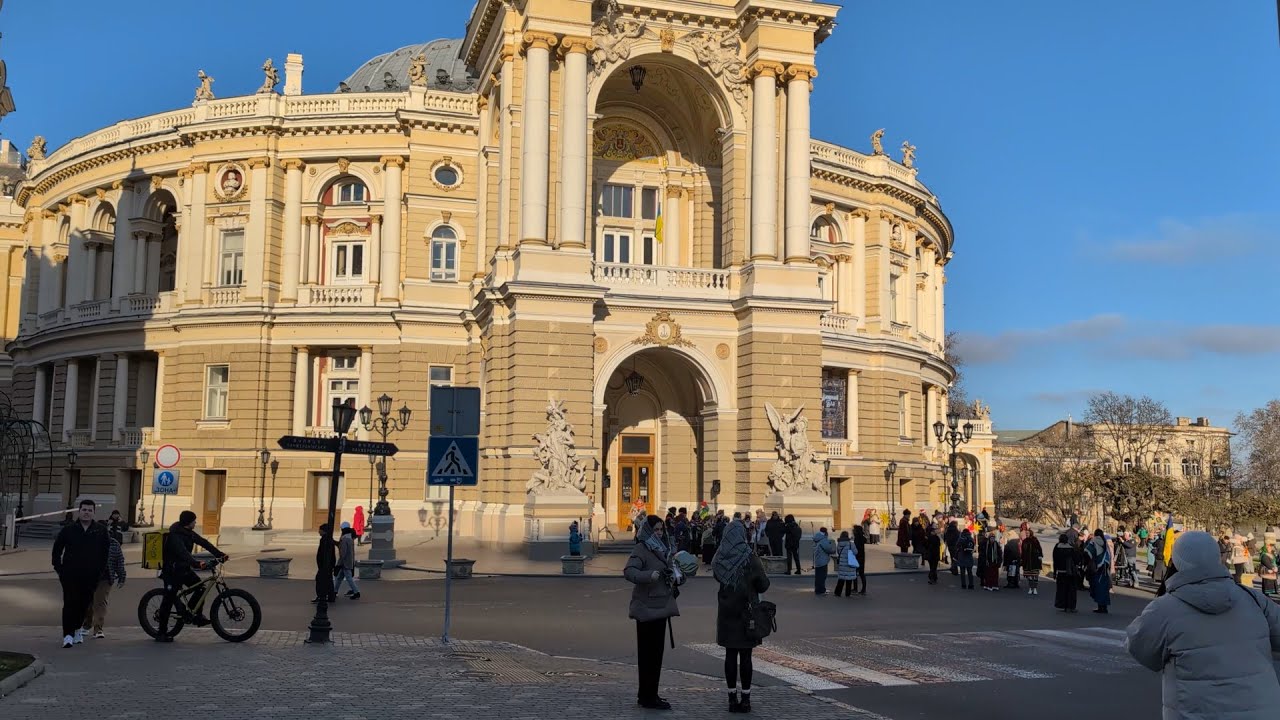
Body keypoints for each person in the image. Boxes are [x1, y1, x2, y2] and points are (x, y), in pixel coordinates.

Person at [1126, 530, 1280, 719]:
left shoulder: (1164, 609)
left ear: (1177, 561)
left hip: (1195, 712)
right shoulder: (1253, 598)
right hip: (1262, 710)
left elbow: (1142, 649)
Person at [624, 514, 682, 710]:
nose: (659, 533)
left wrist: (677, 577)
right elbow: (629, 571)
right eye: (655, 529)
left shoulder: (664, 549)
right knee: (647, 655)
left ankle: (650, 694)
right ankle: (647, 696)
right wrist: (650, 575)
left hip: (661, 608)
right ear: (648, 531)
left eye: (660, 529)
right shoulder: (642, 548)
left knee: (656, 655)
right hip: (647, 609)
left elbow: (672, 572)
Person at [713, 519, 770, 713]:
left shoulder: (720, 557)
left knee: (730, 655)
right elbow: (763, 585)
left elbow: (717, 576)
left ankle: (731, 698)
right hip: (747, 613)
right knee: (746, 656)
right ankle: (745, 699)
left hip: (726, 612)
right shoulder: (749, 557)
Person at [157, 510, 227, 642]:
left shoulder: (189, 533)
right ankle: (161, 632)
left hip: (184, 569)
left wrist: (220, 554)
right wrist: (196, 563)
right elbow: (182, 552)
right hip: (172, 571)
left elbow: (204, 543)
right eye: (194, 521)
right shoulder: (175, 535)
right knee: (168, 600)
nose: (195, 522)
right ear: (188, 522)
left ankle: (194, 615)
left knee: (200, 588)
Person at [52, 499, 109, 648]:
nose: (86, 513)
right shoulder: (69, 529)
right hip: (70, 574)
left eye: (90, 510)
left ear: (94, 513)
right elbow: (57, 549)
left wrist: (99, 571)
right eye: (84, 510)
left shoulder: (100, 530)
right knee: (70, 603)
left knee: (84, 604)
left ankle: (77, 629)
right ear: (79, 511)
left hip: (91, 576)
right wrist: (59, 569)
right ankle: (68, 635)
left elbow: (105, 553)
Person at [82, 525, 127, 639]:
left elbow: (119, 561)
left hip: (105, 578)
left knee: (100, 602)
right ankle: (87, 624)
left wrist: (122, 576)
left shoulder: (114, 544)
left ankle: (98, 629)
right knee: (88, 602)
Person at [1084, 528, 1112, 613]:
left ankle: (1100, 607)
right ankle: (1104, 607)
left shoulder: (1094, 541)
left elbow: (1087, 551)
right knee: (1104, 587)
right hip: (1105, 566)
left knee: (1098, 586)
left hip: (1097, 567)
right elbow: (1108, 554)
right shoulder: (1104, 542)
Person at [1052, 533, 1078, 613]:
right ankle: (1070, 606)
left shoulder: (1057, 547)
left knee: (1061, 590)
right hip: (1070, 572)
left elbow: (1055, 561)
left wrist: (1054, 572)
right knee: (1070, 590)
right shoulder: (1071, 548)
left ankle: (1063, 605)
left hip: (1060, 572)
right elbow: (1075, 560)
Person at [334, 522, 360, 600]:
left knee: (348, 578)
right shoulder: (349, 537)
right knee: (339, 577)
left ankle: (356, 592)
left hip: (345, 562)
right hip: (348, 561)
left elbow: (343, 553)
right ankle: (334, 591)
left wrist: (339, 563)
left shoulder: (345, 538)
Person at [313, 523, 338, 604]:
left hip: (325, 565)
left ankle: (321, 596)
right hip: (328, 564)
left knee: (320, 580)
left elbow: (323, 553)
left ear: (323, 531)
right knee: (328, 580)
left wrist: (322, 564)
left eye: (320, 530)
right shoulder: (329, 539)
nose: (318, 531)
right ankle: (330, 596)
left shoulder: (325, 540)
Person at [834, 531, 859, 597]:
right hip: (849, 564)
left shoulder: (839, 544)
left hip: (842, 564)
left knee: (841, 579)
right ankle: (847, 594)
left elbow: (838, 552)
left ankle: (837, 593)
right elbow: (856, 552)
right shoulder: (851, 544)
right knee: (849, 580)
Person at [812, 527, 836, 595]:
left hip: (818, 560)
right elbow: (829, 549)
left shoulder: (816, 538)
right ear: (826, 532)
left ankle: (817, 589)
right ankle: (821, 590)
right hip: (823, 560)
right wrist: (834, 550)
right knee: (822, 576)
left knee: (818, 576)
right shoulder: (823, 540)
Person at [1021, 529, 1043, 596]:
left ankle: (1035, 588)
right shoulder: (1024, 541)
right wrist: (1022, 559)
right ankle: (1030, 588)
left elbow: (1039, 548)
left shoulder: (1035, 540)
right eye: (1026, 533)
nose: (1027, 534)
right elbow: (1023, 551)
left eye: (1028, 533)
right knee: (1029, 576)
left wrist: (1040, 555)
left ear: (1031, 533)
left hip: (1035, 560)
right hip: (1027, 561)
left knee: (1035, 576)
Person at [852, 524, 868, 595]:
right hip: (862, 557)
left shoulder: (857, 538)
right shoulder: (862, 538)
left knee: (855, 573)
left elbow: (856, 549)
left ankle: (855, 589)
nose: (853, 531)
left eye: (854, 530)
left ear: (856, 531)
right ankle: (863, 589)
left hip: (857, 557)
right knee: (861, 574)